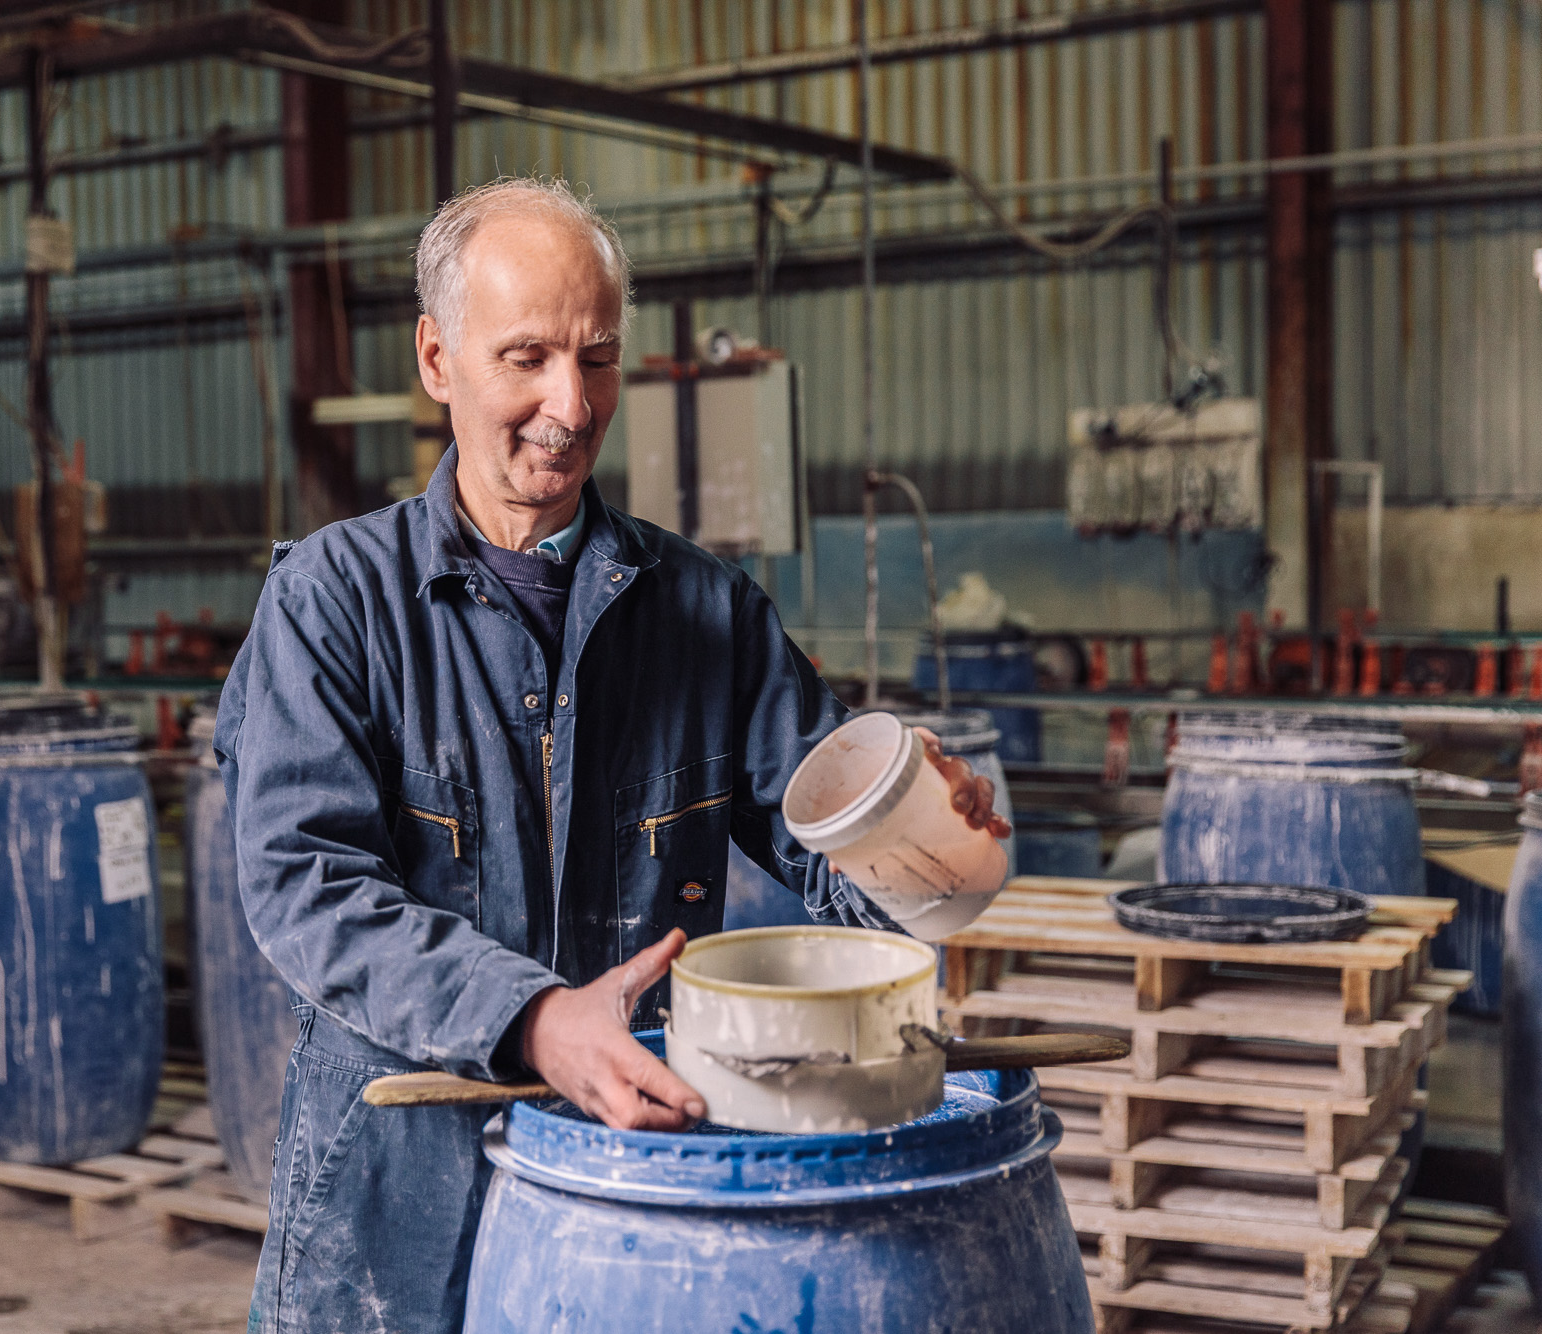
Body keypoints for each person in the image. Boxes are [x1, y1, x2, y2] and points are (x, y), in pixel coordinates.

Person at [216, 177, 1011, 1334]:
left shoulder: (707, 612)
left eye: (596, 358)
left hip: (628, 1188)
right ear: (437, 358)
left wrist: (925, 845)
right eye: (526, 357)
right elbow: (305, 885)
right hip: (391, 1194)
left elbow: (832, 857)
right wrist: (535, 1017)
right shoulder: (332, 601)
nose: (570, 402)